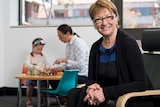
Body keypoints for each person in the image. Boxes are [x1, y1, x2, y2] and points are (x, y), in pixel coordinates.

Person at [67, 0, 153, 107]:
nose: (104, 23)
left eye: (108, 17)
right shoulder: (95, 47)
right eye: (98, 19)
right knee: (74, 94)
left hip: (130, 98)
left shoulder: (128, 43)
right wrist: (91, 88)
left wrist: (105, 93)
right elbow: (91, 79)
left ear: (116, 18)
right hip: (108, 96)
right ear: (94, 23)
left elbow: (140, 83)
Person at [49, 24, 89, 89]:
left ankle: (64, 97)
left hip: (82, 75)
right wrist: (59, 69)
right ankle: (63, 98)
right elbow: (69, 64)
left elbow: (80, 65)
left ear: (67, 34)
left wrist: (65, 60)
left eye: (60, 36)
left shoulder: (78, 43)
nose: (59, 39)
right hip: (73, 73)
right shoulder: (68, 44)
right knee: (52, 78)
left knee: (56, 80)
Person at [25, 37, 50, 107]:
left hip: (41, 76)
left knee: (44, 87)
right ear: (33, 47)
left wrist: (47, 66)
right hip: (32, 75)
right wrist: (37, 68)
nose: (40, 50)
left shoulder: (43, 56)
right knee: (30, 86)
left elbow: (47, 63)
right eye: (38, 49)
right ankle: (28, 98)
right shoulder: (29, 56)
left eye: (41, 49)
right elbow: (27, 65)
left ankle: (41, 98)